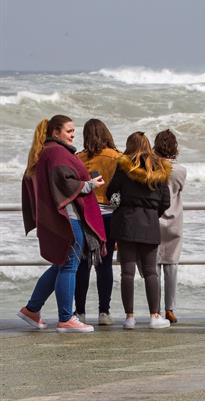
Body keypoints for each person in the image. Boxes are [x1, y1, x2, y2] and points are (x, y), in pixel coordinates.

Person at [19, 115, 106, 333]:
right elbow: (66, 184)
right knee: (69, 266)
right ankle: (66, 318)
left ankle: (32, 309)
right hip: (68, 218)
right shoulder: (56, 152)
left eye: (74, 131)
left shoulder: (45, 151)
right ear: (56, 132)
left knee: (61, 263)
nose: (73, 134)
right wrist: (89, 185)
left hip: (59, 218)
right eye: (69, 131)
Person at [107, 132, 172, 330]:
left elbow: (111, 192)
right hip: (150, 224)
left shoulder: (124, 167)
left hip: (126, 223)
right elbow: (165, 202)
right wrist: (152, 213)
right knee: (151, 272)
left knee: (127, 272)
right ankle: (154, 316)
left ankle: (129, 318)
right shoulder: (160, 168)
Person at [74, 118, 121, 326]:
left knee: (83, 264)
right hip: (110, 215)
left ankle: (80, 312)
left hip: (87, 214)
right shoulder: (117, 157)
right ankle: (104, 312)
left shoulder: (77, 158)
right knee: (105, 264)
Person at [153, 129, 187, 324]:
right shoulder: (180, 170)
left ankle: (155, 308)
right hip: (175, 219)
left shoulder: (153, 168)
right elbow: (180, 188)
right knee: (172, 265)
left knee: (155, 265)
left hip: (155, 219)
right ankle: (170, 308)